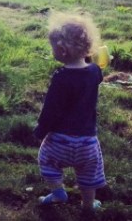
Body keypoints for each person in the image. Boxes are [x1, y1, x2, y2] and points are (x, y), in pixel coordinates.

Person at [35, 12, 106, 213]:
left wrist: (40, 130)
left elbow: (51, 109)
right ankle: (88, 205)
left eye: (53, 48)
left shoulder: (61, 78)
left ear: (62, 50)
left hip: (59, 141)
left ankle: (58, 192)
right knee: (88, 174)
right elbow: (96, 72)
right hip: (87, 142)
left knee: (46, 160)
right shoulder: (94, 72)